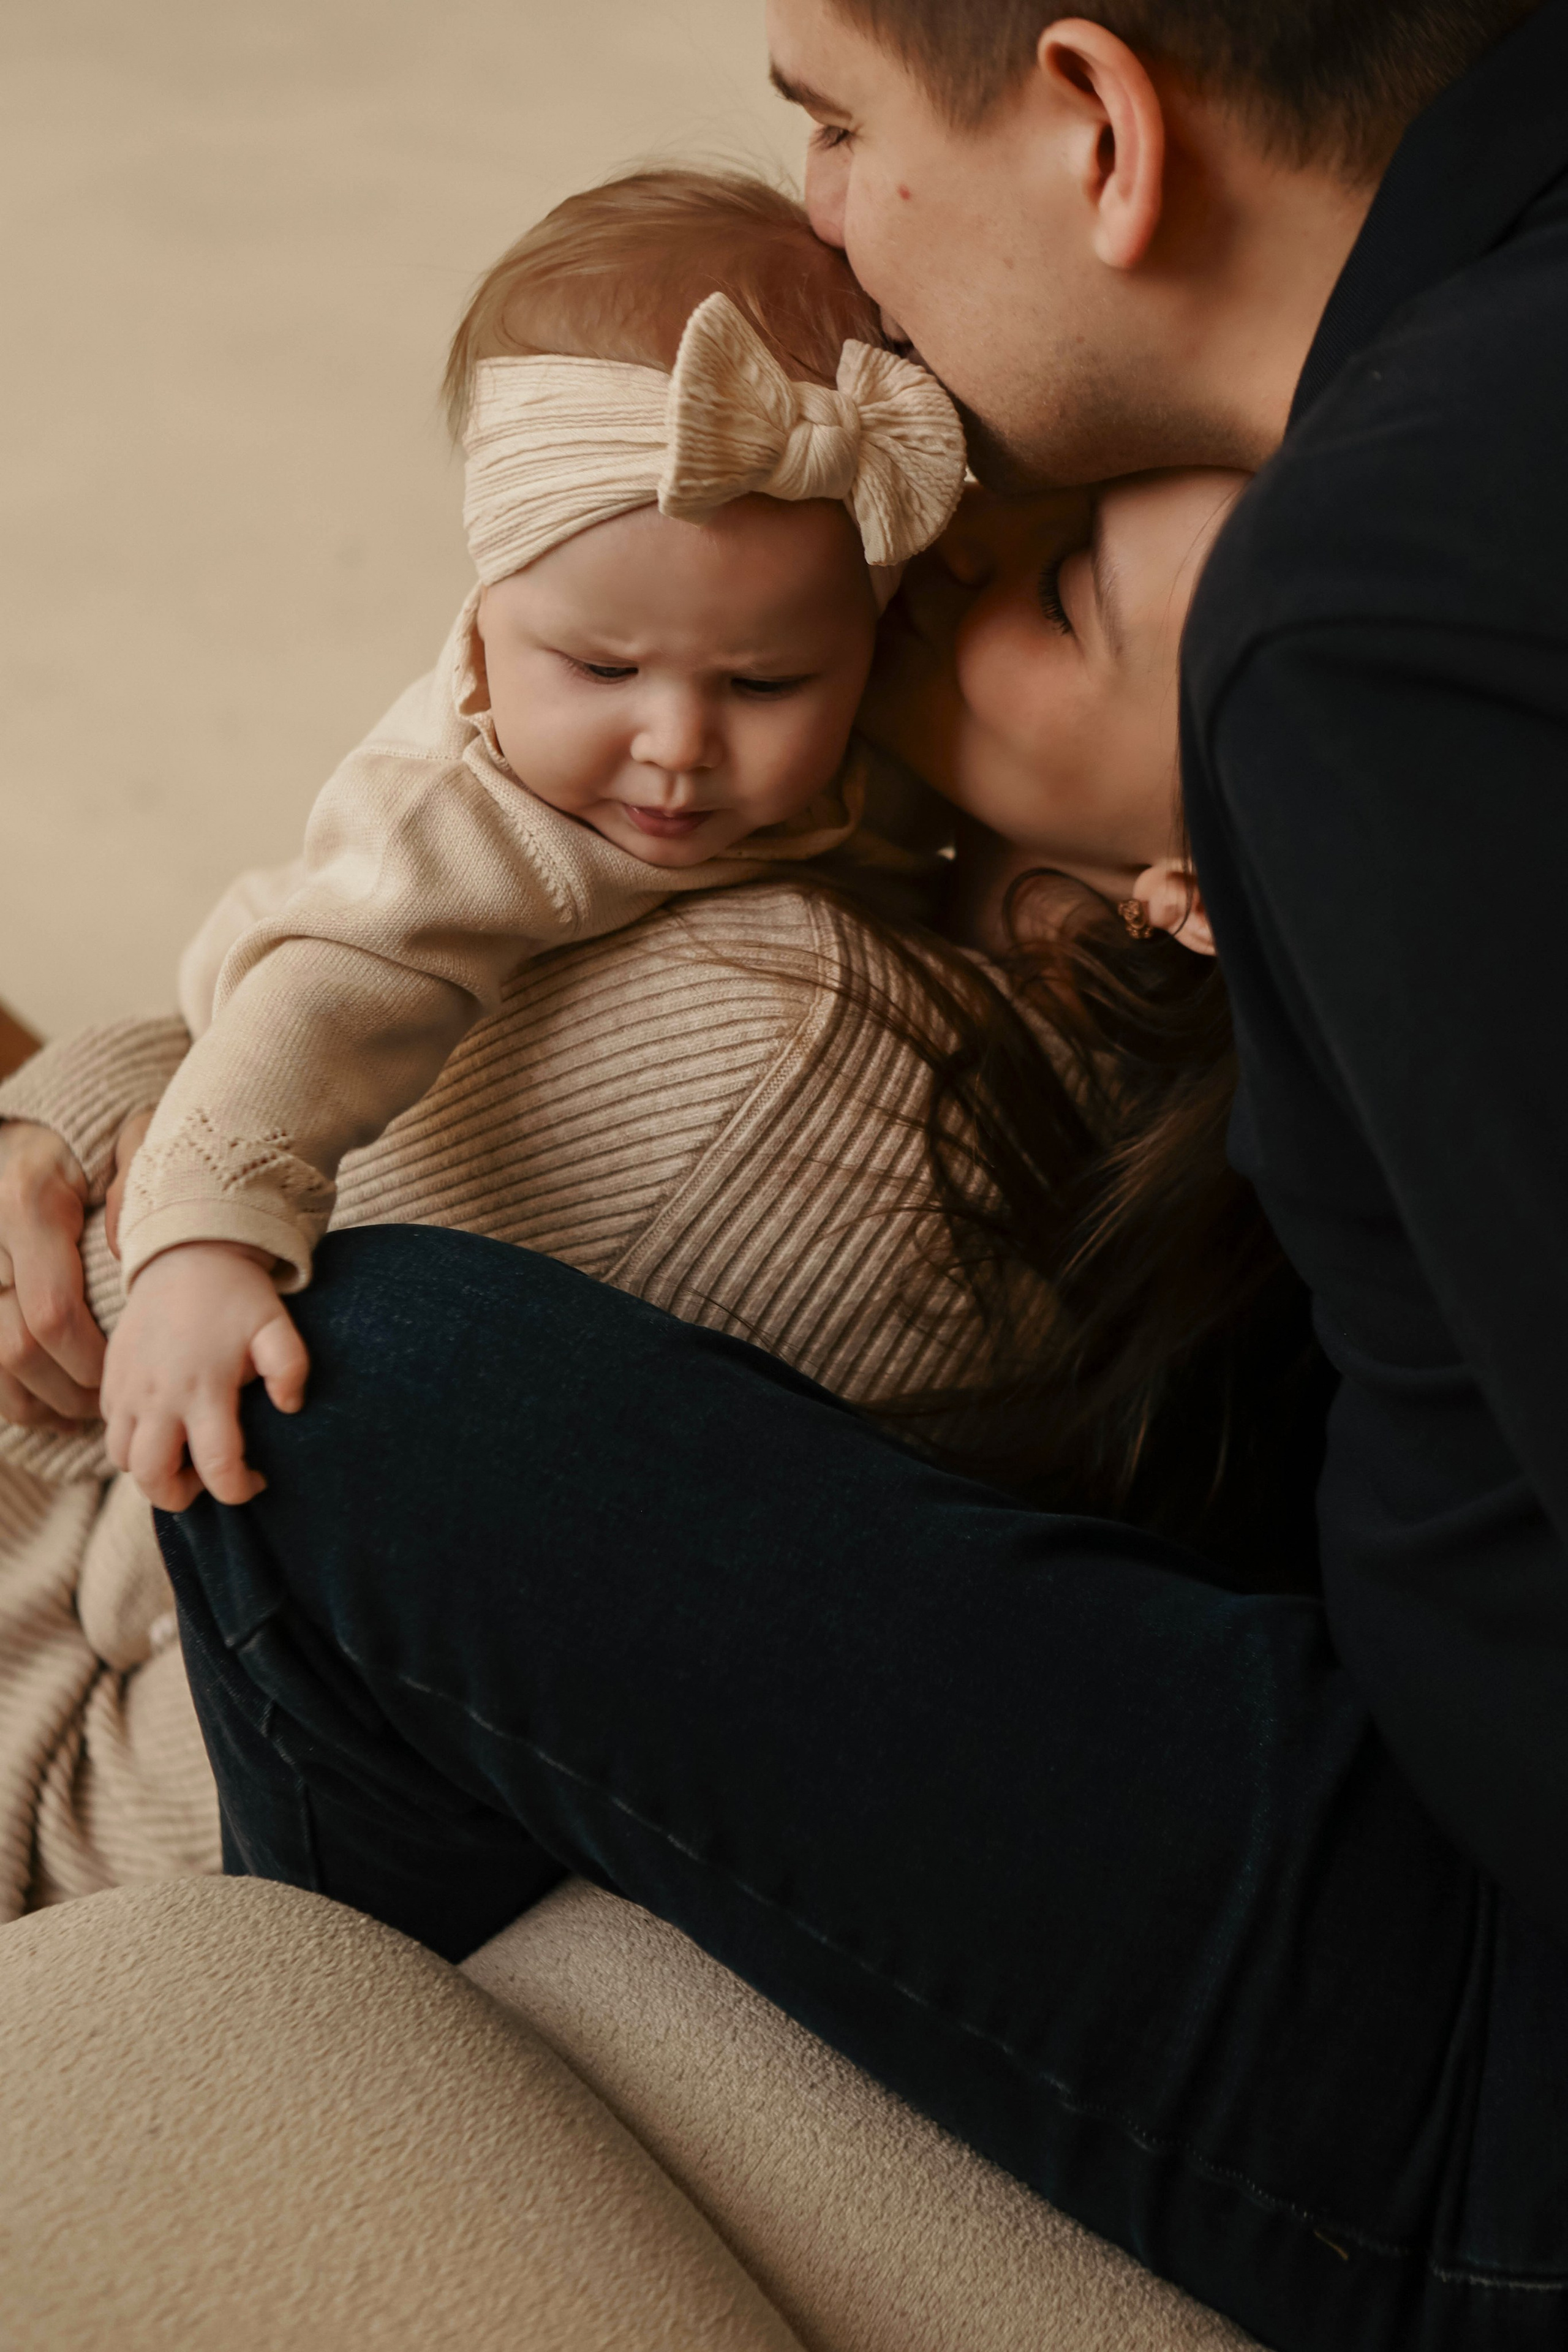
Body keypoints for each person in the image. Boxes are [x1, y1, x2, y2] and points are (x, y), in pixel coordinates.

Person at [17, 0, 1568, 2335]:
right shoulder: (1396, 470)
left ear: (1100, 120)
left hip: (1489, 2055)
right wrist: (125, 1092)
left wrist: (147, 1146)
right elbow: (439, 879)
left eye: (833, 122)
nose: (934, 560)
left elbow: (291, 1310)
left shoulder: (888, 1001)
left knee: (383, 1392)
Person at [0, 466, 1298, 1913]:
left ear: (1187, 883)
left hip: (76, 1744)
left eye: (1058, 597)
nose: (951, 551)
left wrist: (59, 1123)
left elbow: (105, 1308)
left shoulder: (801, 1052)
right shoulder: (1080, 1092)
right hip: (166, 1585)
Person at [99, 167, 967, 1512]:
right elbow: (319, 1009)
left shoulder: (871, 721)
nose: (677, 744)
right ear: (491, 609)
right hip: (259, 1072)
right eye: (602, 670)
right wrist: (199, 1247)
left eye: (763, 684)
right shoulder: (470, 811)